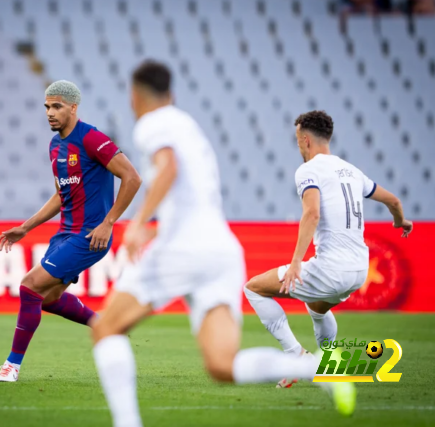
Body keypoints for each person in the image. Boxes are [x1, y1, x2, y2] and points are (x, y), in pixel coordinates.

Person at [90, 62, 355, 427]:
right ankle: (308, 367)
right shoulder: (189, 127)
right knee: (222, 365)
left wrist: (137, 224)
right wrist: (159, 227)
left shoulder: (152, 123)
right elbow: (189, 191)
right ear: (172, 94)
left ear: (134, 96)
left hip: (185, 250)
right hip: (221, 251)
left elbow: (168, 169)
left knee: (105, 328)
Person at [244, 110, 413, 388]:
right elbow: (393, 200)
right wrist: (401, 221)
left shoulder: (308, 170)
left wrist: (296, 261)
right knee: (318, 308)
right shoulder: (351, 170)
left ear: (306, 139)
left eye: (298, 139)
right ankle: (330, 365)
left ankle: (296, 358)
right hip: (358, 270)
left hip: (331, 269)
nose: (298, 145)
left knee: (253, 288)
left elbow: (312, 214)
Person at [0, 80, 142, 382]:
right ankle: (106, 326)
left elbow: (132, 177)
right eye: (47, 106)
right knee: (46, 299)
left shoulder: (91, 138)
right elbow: (62, 196)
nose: (50, 112)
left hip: (90, 236)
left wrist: (108, 221)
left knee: (29, 285)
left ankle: (11, 366)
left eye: (57, 106)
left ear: (73, 108)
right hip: (65, 234)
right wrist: (25, 227)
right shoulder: (55, 145)